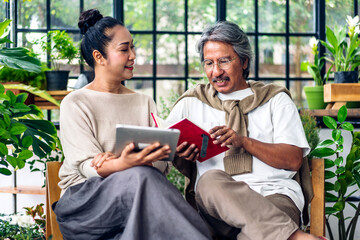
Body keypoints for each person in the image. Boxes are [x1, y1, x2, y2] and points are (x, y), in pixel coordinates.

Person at [53, 9, 211, 240]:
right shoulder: (75, 103)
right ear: (99, 57)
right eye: (124, 49)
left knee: (143, 178)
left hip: (138, 196)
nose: (133, 55)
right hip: (85, 206)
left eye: (133, 47)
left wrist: (168, 152)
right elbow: (87, 169)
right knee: (140, 175)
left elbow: (160, 169)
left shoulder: (143, 101)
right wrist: (125, 164)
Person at [166, 21, 325, 240]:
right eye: (209, 63)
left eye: (224, 61)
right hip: (217, 210)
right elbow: (161, 149)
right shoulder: (192, 102)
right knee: (210, 180)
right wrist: (178, 152)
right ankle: (294, 237)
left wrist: (244, 142)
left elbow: (293, 160)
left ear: (244, 61)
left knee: (253, 234)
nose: (216, 71)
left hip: (273, 198)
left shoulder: (275, 99)